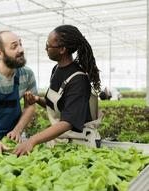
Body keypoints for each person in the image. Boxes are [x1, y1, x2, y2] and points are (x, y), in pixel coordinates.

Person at [14, 25, 101, 156]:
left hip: (80, 143)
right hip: (63, 139)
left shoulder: (78, 80)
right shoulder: (56, 70)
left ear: (62, 49)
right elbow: (59, 107)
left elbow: (67, 123)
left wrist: (32, 141)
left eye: (48, 45)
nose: (46, 48)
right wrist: (38, 100)